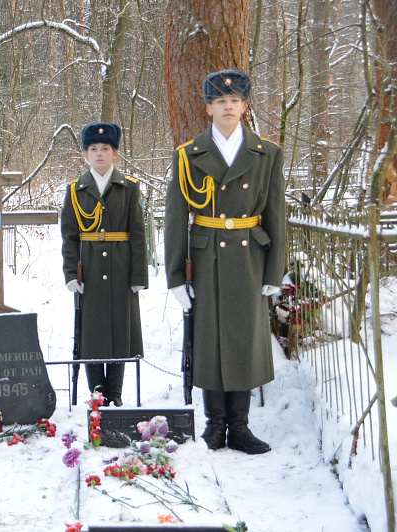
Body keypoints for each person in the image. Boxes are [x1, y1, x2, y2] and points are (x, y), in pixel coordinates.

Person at [164, 70, 286, 454]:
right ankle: (215, 427)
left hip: (250, 255)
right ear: (208, 108)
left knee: (244, 341)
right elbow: (174, 219)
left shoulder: (268, 153)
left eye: (234, 101)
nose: (228, 107)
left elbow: (276, 215)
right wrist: (175, 278)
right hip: (206, 257)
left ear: (245, 106)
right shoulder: (188, 155)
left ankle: (241, 426)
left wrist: (274, 270)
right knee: (211, 340)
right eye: (220, 101)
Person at [61, 123, 148, 406]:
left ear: (115, 154)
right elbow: (70, 237)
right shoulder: (76, 190)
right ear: (86, 154)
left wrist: (138, 275)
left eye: (105, 149)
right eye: (93, 149)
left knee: (120, 331)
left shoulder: (129, 188)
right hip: (90, 270)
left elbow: (137, 235)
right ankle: (97, 395)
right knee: (93, 334)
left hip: (121, 269)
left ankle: (117, 394)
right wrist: (71, 273)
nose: (99, 154)